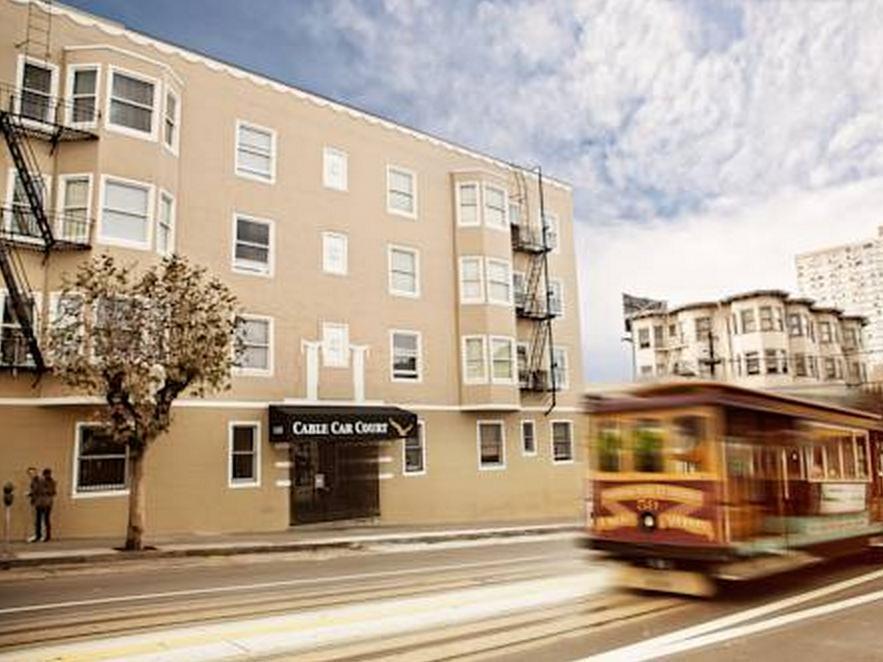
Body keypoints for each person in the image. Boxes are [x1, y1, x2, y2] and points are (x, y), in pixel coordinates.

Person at [34, 468, 56, 542]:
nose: (47, 476)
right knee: (38, 520)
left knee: (46, 520)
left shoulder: (52, 482)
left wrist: (45, 490)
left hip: (47, 503)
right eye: (45, 474)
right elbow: (36, 490)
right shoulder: (40, 482)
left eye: (48, 474)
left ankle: (47, 536)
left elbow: (53, 492)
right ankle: (38, 535)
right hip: (39, 503)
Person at [25, 467, 40, 543]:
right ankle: (37, 535)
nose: (31, 475)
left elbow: (37, 490)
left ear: (35, 473)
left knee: (37, 519)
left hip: (38, 502)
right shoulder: (34, 481)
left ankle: (37, 536)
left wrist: (29, 493)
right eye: (29, 473)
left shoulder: (37, 481)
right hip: (35, 501)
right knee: (36, 519)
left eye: (32, 473)